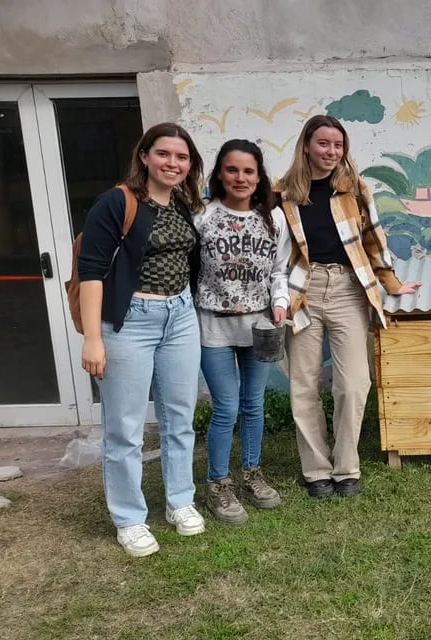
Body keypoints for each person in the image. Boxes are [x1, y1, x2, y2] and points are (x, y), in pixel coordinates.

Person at [275, 115, 421, 499]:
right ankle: (316, 472)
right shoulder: (282, 194)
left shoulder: (354, 190)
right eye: (323, 143)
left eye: (338, 145)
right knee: (304, 384)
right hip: (301, 290)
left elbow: (374, 239)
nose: (331, 152)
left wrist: (392, 282)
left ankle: (346, 468)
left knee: (354, 384)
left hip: (347, 289)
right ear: (306, 144)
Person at [77, 122, 206, 557]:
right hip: (129, 321)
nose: (173, 163)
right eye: (165, 154)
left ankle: (179, 502)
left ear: (190, 165)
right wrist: (93, 338)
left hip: (181, 317)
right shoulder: (117, 202)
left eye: (182, 157)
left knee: (179, 419)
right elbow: (92, 272)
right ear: (145, 156)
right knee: (125, 429)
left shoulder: (184, 203)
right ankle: (130, 519)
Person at [195, 139, 291, 525]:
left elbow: (279, 270)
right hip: (213, 327)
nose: (240, 177)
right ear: (220, 173)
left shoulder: (275, 218)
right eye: (232, 170)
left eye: (248, 171)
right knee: (226, 407)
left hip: (260, 327)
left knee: (253, 404)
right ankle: (218, 483)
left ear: (259, 176)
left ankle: (251, 472)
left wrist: (281, 302)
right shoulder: (201, 215)